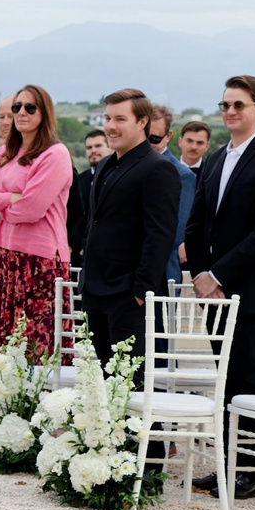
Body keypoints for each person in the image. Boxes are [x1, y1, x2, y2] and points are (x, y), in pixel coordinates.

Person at [184, 74, 255, 498]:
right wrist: (200, 274)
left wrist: (218, 275)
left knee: (249, 380)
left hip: (252, 291)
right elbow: (196, 225)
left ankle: (252, 471)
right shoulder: (215, 159)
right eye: (225, 105)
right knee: (226, 380)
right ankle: (227, 465)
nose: (230, 112)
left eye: (239, 105)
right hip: (211, 292)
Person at [0, 83, 73, 357]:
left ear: (45, 113)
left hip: (41, 260)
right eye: (17, 107)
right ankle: (6, 399)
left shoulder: (55, 154)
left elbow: (30, 210)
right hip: (6, 255)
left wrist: (0, 198)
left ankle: (43, 400)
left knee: (39, 344)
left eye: (30, 107)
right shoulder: (5, 153)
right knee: (6, 340)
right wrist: (13, 197)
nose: (21, 113)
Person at [79, 91, 181, 361]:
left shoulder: (157, 168)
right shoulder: (103, 166)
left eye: (120, 118)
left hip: (127, 296)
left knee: (126, 386)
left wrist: (139, 291)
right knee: (96, 383)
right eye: (108, 118)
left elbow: (160, 234)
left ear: (142, 122)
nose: (111, 126)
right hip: (94, 292)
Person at [148, 106, 195, 288]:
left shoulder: (183, 175)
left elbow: (176, 233)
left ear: (168, 136)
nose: (148, 143)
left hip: (163, 272)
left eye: (154, 139)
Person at [64, 129, 107, 263]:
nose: (93, 150)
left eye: (98, 146)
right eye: (89, 147)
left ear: (110, 148)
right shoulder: (76, 180)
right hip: (81, 256)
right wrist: (80, 246)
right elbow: (69, 215)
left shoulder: (121, 179)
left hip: (109, 254)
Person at [176, 117, 212, 267]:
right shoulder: (165, 171)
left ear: (207, 146)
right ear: (180, 141)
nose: (193, 147)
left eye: (199, 143)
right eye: (189, 141)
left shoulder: (213, 174)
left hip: (203, 251)